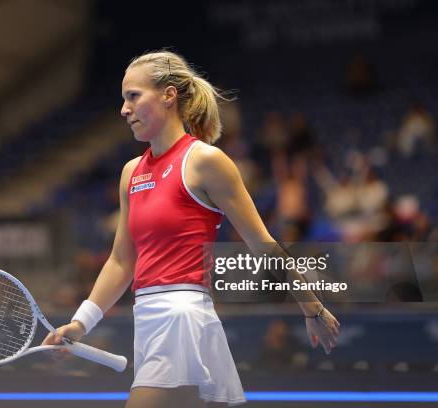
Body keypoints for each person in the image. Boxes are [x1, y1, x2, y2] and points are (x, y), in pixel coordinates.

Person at [43, 50, 340, 407]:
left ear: (169, 95)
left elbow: (263, 244)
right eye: (123, 99)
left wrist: (313, 308)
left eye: (133, 96)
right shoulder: (130, 173)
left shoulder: (205, 161)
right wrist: (79, 324)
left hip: (182, 317)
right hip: (149, 320)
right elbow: (122, 262)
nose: (124, 109)